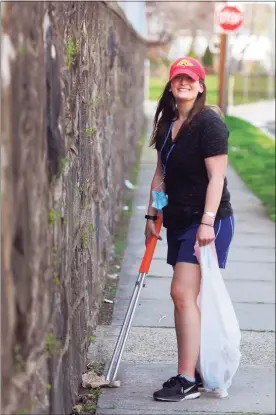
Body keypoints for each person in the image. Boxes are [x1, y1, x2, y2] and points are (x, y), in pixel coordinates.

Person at [144, 57, 235, 402]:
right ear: (170, 85)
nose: (183, 83)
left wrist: (207, 223)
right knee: (186, 297)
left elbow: (218, 177)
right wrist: (153, 216)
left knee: (182, 294)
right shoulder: (168, 123)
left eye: (190, 78)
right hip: (179, 219)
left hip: (207, 221)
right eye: (177, 78)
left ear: (200, 85)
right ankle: (195, 370)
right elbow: (160, 174)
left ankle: (187, 378)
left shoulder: (209, 123)